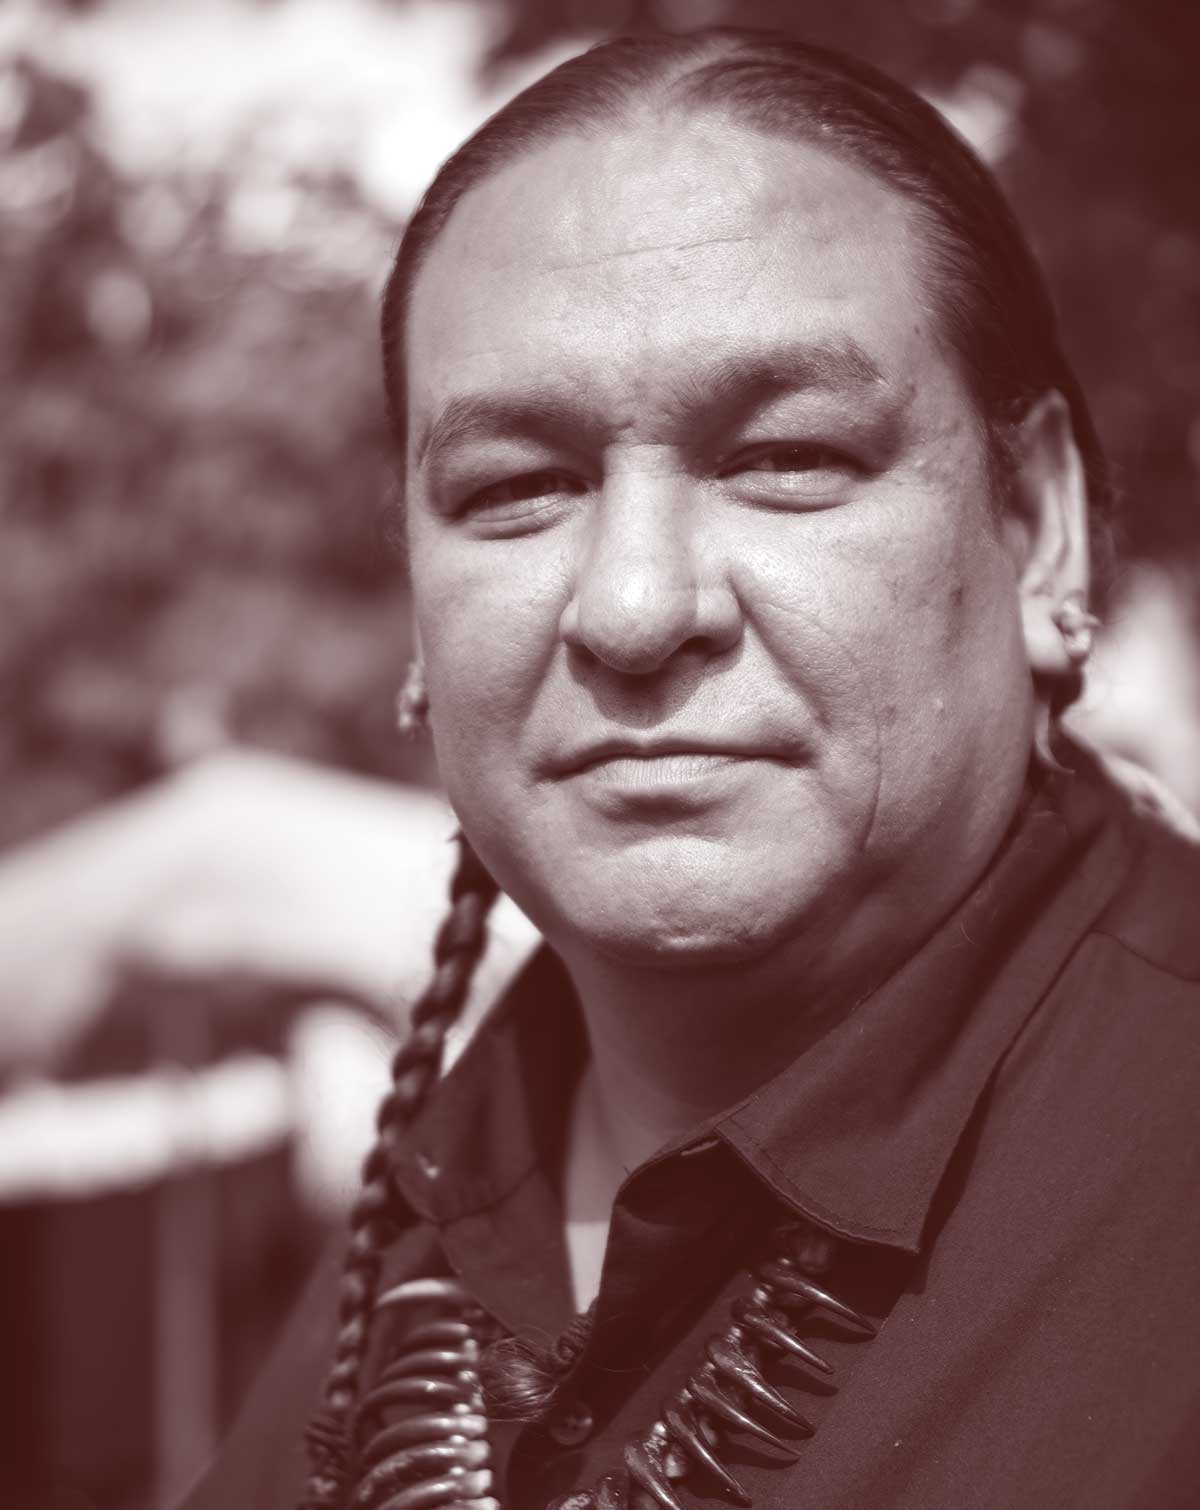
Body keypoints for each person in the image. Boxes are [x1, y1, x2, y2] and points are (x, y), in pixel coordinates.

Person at [181, 26, 1200, 1510]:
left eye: (786, 455)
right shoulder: (437, 1202)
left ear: (1037, 523)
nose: (636, 607)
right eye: (515, 490)